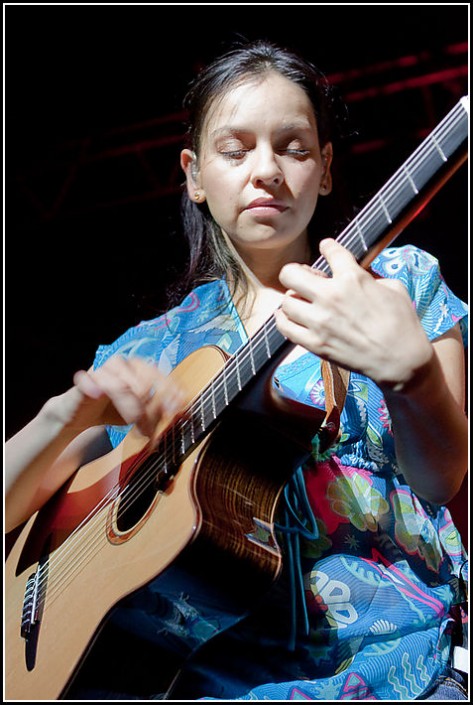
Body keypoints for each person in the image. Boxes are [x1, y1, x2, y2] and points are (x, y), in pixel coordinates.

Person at [5, 40, 468, 701]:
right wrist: (61, 415)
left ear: (326, 168)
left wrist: (413, 377)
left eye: (293, 147)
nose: (266, 169)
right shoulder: (149, 349)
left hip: (407, 672)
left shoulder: (398, 282)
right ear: (194, 174)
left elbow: (442, 475)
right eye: (235, 148)